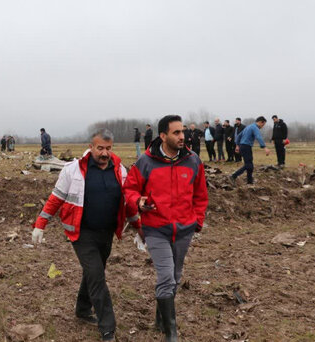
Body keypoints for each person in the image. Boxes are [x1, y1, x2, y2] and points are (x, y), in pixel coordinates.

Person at [32, 129, 141, 342]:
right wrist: (40, 224)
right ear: (91, 147)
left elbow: (128, 203)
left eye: (108, 149)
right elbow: (56, 198)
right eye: (100, 148)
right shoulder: (73, 170)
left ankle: (82, 309)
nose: (104, 153)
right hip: (81, 232)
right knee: (97, 276)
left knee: (94, 272)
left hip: (107, 232)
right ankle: (108, 328)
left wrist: (139, 228)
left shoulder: (120, 170)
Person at [124, 115, 209, 342]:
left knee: (175, 276)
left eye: (183, 132)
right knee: (166, 277)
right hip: (155, 228)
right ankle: (171, 333)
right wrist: (138, 201)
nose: (183, 136)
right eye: (176, 133)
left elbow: (201, 195)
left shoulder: (193, 161)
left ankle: (160, 318)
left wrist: (197, 222)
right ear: (163, 136)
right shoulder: (145, 161)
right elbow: (129, 188)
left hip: (184, 229)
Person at [231, 116, 271, 185]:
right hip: (246, 147)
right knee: (248, 165)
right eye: (263, 124)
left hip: (243, 146)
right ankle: (233, 176)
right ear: (261, 122)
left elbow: (239, 136)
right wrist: (264, 147)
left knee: (250, 165)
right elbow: (258, 137)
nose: (262, 126)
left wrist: (237, 145)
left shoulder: (248, 127)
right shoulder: (255, 127)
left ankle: (250, 182)